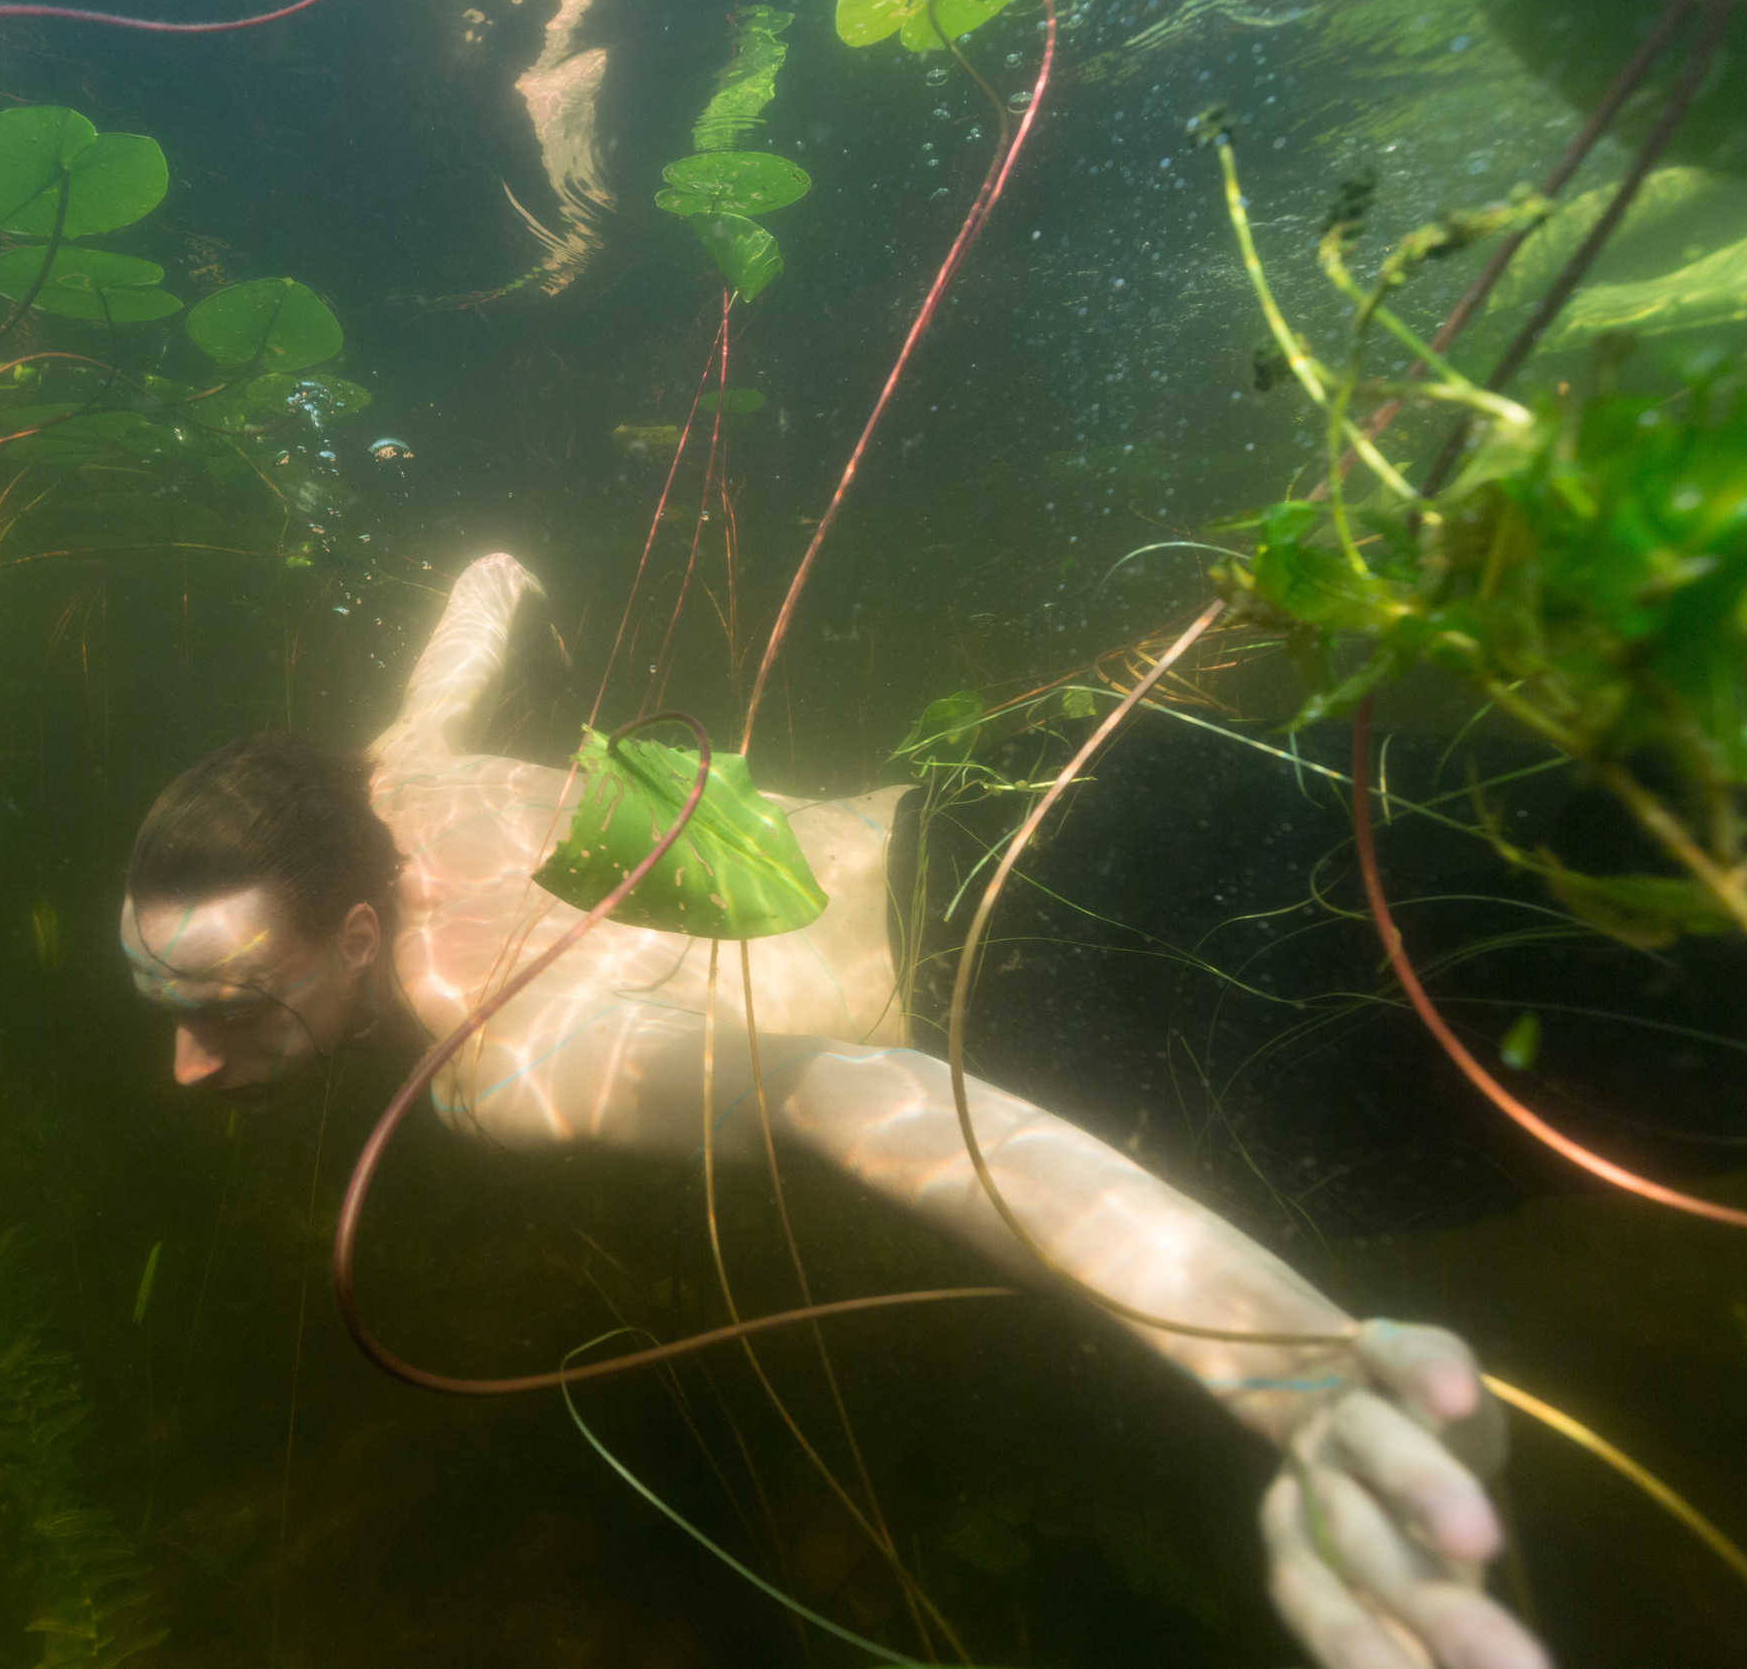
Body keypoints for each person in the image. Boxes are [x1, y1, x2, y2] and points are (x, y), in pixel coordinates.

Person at [120, 552, 1549, 1669]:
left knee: (1615, 1050)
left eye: (229, 1005)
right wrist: (515, 588)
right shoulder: (391, 774)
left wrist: (1294, 1374)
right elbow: (484, 591)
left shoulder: (501, 1062)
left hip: (1087, 978)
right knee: (1578, 814)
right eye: (166, 1006)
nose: (187, 1066)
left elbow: (874, 1098)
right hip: (1050, 789)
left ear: (358, 935)